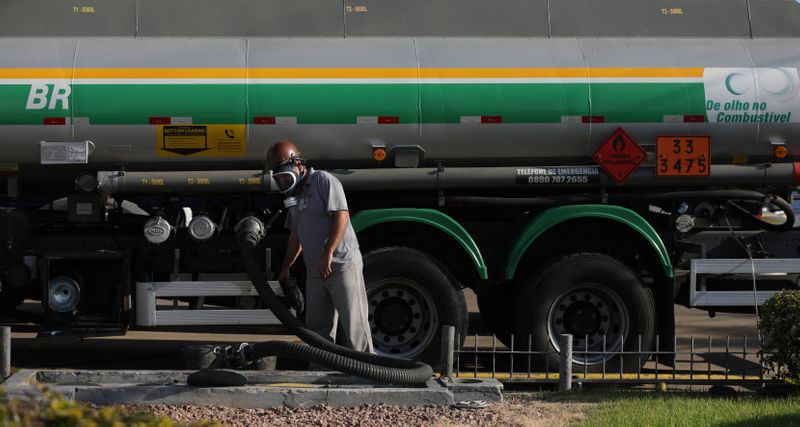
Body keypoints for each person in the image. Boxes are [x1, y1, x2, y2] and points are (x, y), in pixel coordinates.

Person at [267, 140, 374, 353]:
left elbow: (341, 216)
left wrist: (329, 251)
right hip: (316, 271)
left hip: (341, 265)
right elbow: (296, 234)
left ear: (297, 165)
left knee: (354, 326)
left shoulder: (323, 180)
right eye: (278, 179)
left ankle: (369, 374)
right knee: (317, 331)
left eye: (284, 176)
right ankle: (320, 372)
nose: (283, 182)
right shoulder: (295, 196)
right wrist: (286, 267)